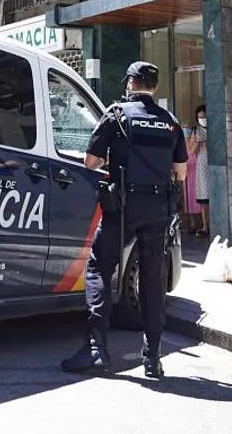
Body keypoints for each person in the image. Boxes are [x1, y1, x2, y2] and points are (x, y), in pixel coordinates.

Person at [61, 61, 188, 379]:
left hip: (123, 206)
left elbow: (90, 162)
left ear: (131, 83)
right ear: (154, 87)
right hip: (158, 209)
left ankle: (96, 350)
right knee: (152, 279)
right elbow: (181, 172)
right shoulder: (170, 122)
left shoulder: (116, 114)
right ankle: (153, 359)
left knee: (99, 268)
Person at [186, 104, 209, 238]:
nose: (202, 119)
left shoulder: (215, 128)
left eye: (204, 117)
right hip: (201, 166)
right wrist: (198, 144)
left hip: (211, 164)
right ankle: (205, 226)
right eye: (200, 117)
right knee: (203, 198)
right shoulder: (196, 131)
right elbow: (191, 151)